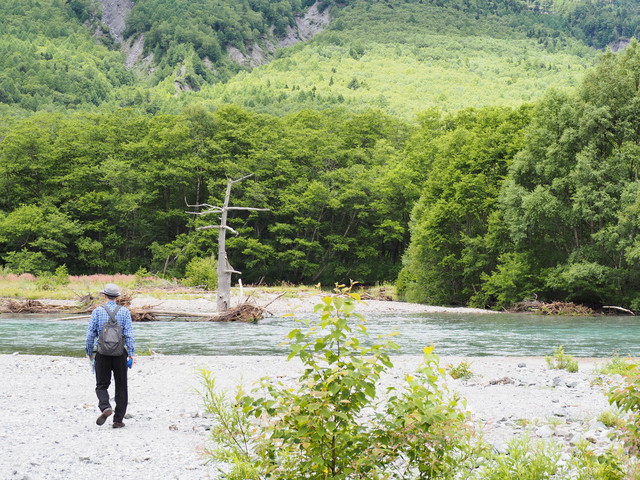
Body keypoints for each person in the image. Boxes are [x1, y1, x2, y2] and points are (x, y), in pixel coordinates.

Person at [85, 283, 135, 428]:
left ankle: (105, 406)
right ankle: (118, 420)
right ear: (117, 297)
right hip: (120, 354)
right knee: (121, 386)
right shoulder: (124, 312)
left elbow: (90, 335)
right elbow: (129, 334)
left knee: (101, 385)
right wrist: (131, 354)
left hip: (102, 353)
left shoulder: (97, 311)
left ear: (104, 296)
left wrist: (90, 352)